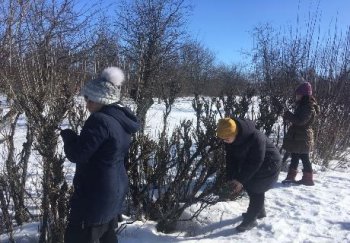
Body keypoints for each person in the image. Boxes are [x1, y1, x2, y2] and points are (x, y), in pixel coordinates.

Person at [60, 67, 140, 243]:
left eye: (90, 99)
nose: (86, 104)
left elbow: (78, 154)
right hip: (113, 188)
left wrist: (69, 137)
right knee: (106, 235)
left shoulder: (100, 120)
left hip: (95, 191)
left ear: (102, 99)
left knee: (78, 235)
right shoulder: (120, 118)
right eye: (85, 99)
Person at [216, 117, 281, 232]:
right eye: (222, 138)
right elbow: (231, 159)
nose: (224, 141)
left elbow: (256, 161)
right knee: (250, 184)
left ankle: (251, 219)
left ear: (235, 133)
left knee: (256, 188)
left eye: (226, 138)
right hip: (253, 163)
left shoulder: (256, 138)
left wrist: (240, 180)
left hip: (269, 164)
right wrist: (231, 178)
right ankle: (259, 211)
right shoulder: (230, 139)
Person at [282, 81, 319, 186]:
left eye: (298, 94)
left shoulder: (308, 107)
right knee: (295, 156)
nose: (296, 96)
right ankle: (291, 177)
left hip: (303, 137)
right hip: (299, 137)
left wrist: (288, 115)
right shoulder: (303, 106)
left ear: (304, 95)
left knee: (304, 157)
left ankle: (308, 179)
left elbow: (301, 121)